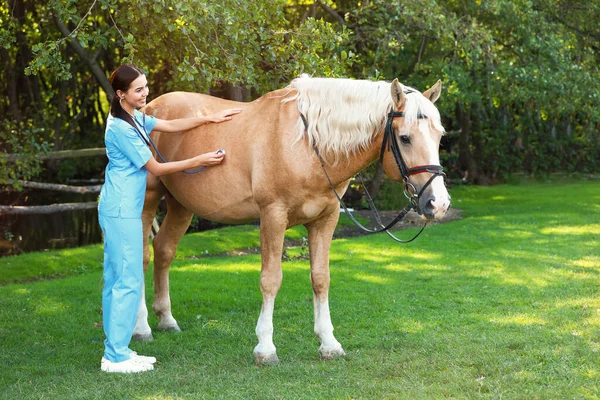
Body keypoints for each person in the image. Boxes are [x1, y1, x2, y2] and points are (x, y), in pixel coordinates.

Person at [98, 64, 241, 373]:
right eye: (138, 89)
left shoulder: (133, 117)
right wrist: (200, 160)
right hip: (121, 208)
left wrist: (208, 117)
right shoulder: (122, 128)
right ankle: (115, 357)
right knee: (126, 280)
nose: (145, 92)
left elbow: (169, 125)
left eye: (145, 86)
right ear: (121, 94)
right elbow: (158, 169)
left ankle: (119, 349)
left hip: (122, 204)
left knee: (120, 279)